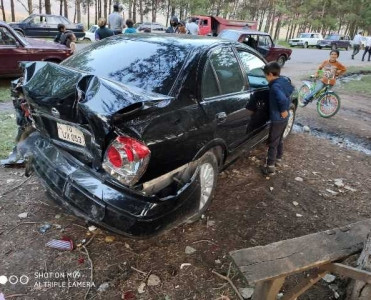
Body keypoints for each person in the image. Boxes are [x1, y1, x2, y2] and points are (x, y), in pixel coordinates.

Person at [261, 62, 294, 175]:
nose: (266, 78)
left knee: (273, 142)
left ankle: (270, 166)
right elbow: (290, 91)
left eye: (266, 76)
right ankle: (278, 159)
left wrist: (283, 110)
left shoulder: (275, 86)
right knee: (279, 139)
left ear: (270, 74)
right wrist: (285, 111)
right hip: (283, 119)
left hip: (277, 118)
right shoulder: (283, 81)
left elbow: (282, 99)